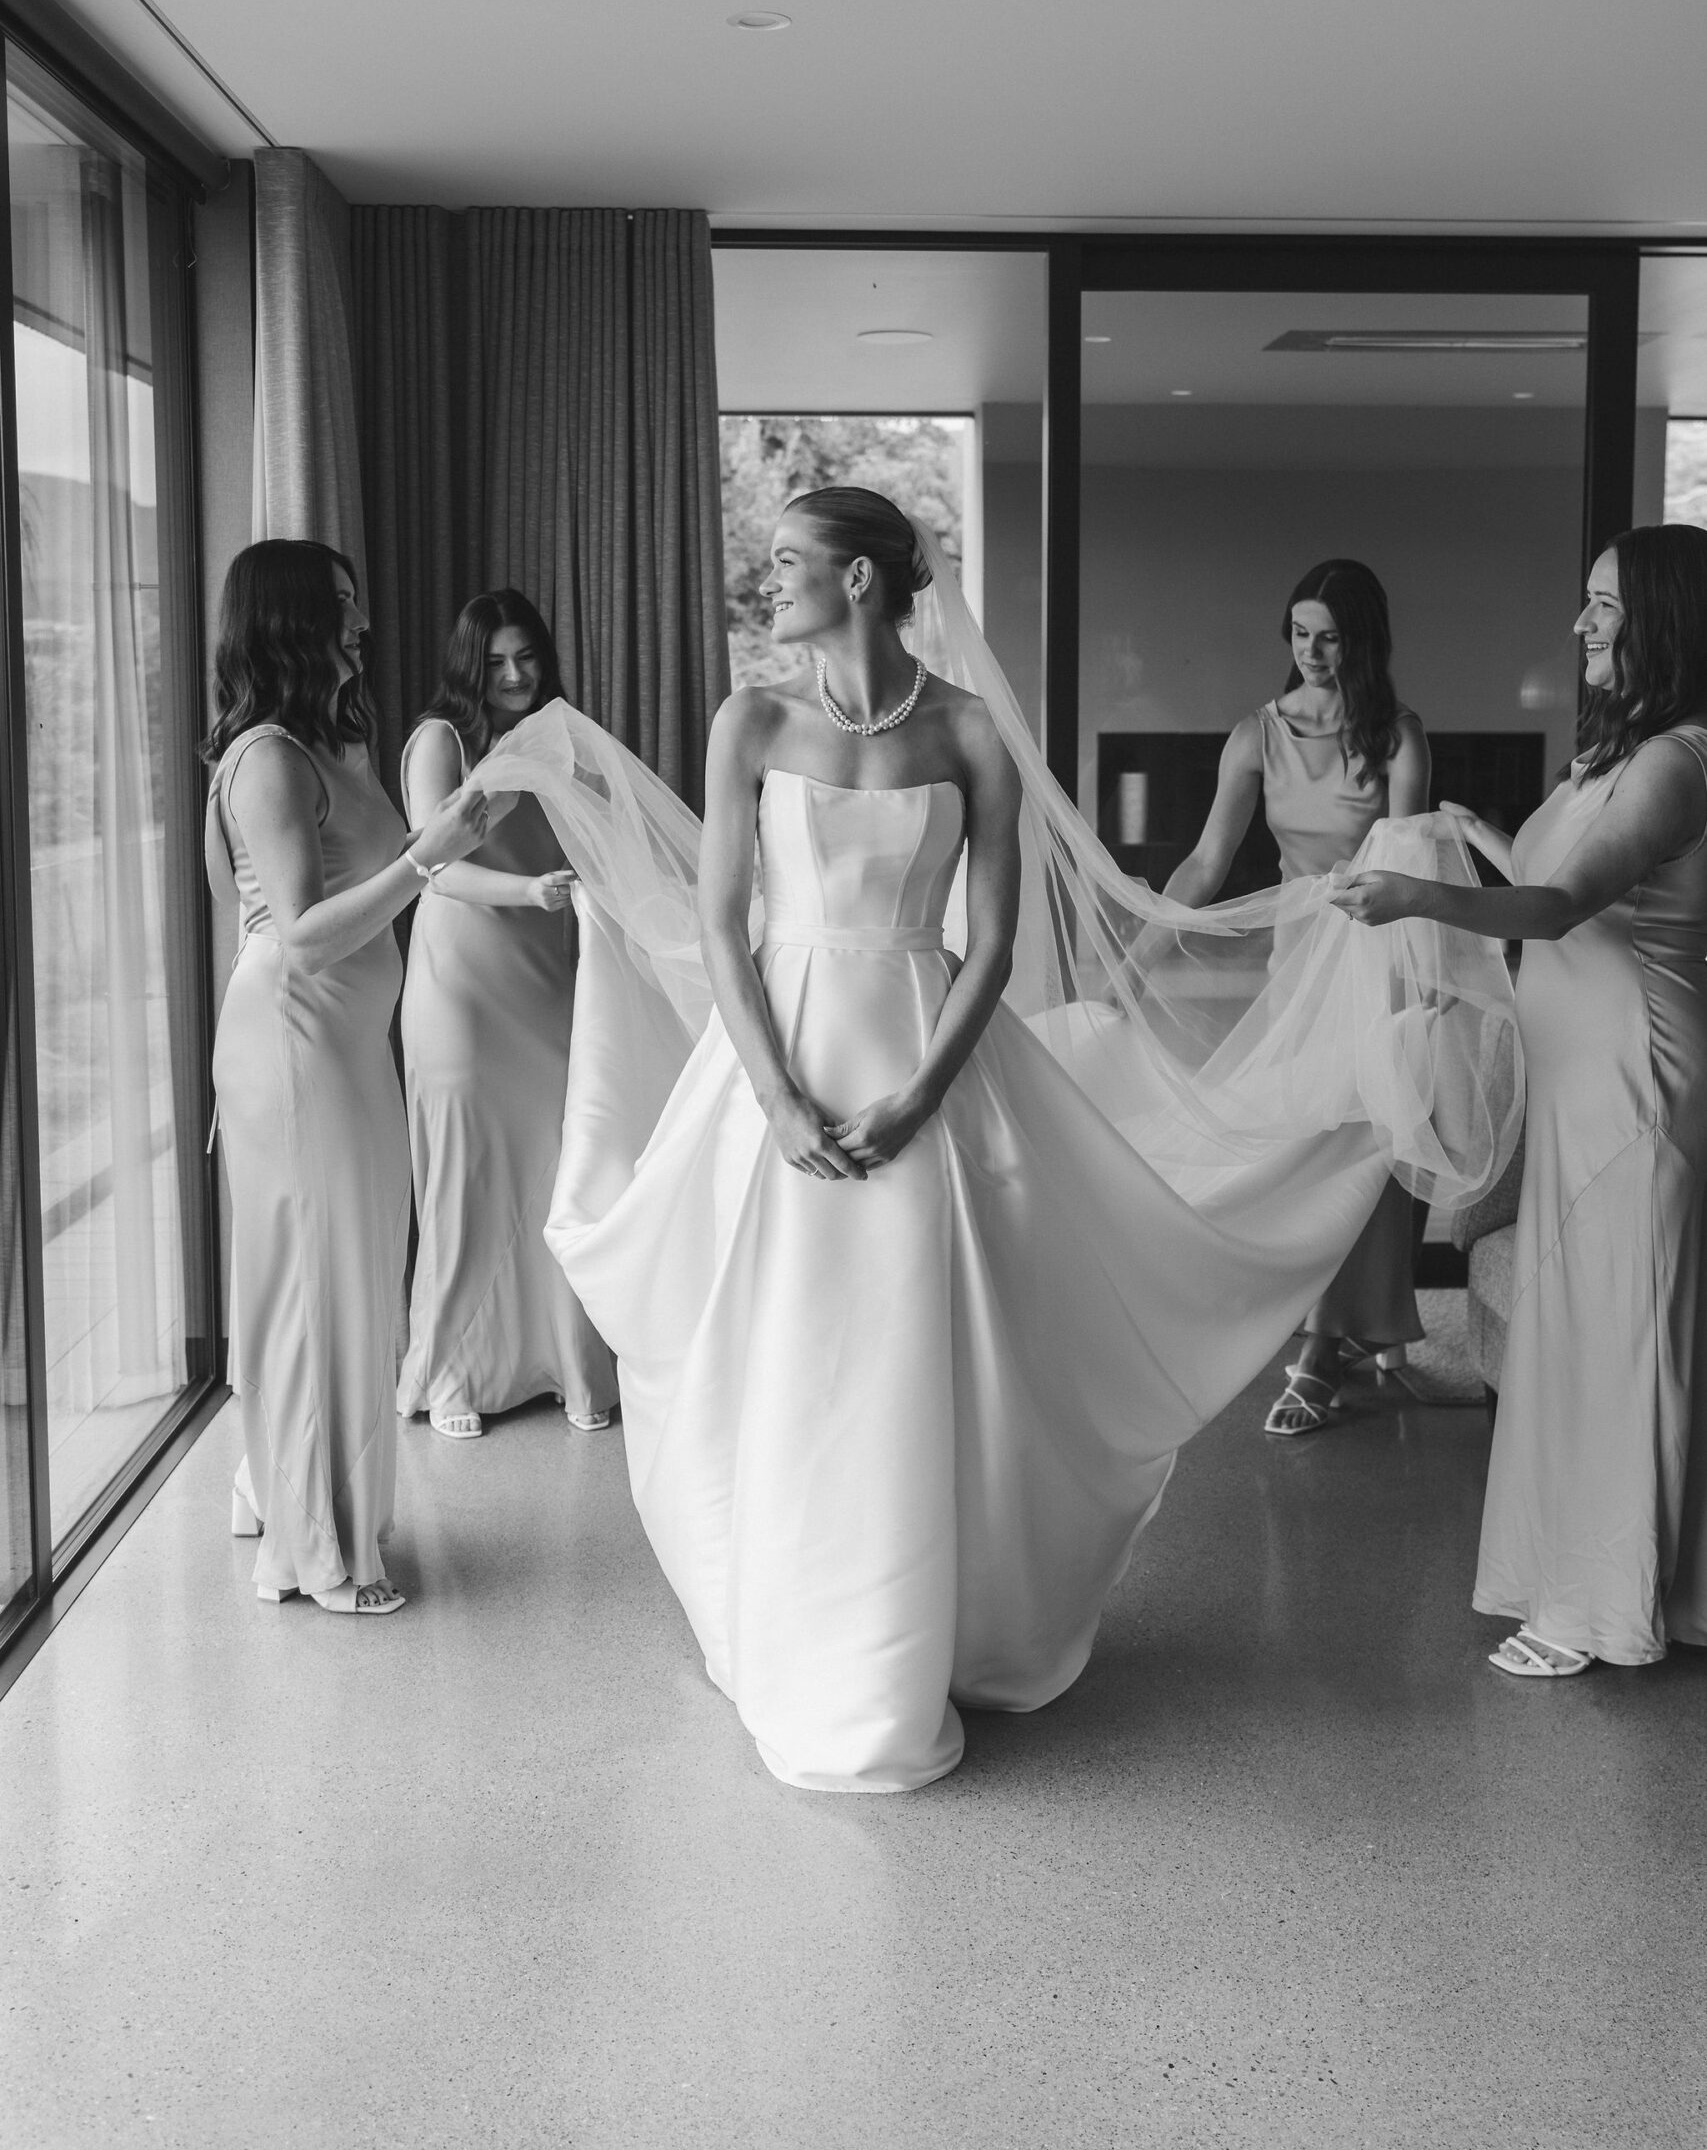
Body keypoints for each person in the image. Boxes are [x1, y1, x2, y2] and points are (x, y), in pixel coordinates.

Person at [473, 491, 1516, 1790]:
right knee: (789, 1341)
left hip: (927, 1063)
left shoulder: (967, 733)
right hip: (778, 1065)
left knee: (909, 1346)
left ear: (860, 580)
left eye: (793, 565)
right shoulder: (753, 721)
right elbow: (727, 923)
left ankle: (919, 1645)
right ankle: (805, 1634)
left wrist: (914, 1099)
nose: (774, 583)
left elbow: (987, 945)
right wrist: (785, 1103)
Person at [1334, 526, 1707, 1679]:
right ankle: (1634, 1578)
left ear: (1662, 618)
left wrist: (1415, 898)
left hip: (1635, 1082)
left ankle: (1604, 1602)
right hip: (1579, 1087)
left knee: (1620, 1329)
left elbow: (1560, 909)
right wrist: (1464, 834)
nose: (1582, 624)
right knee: (1584, 1324)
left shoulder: (1679, 760)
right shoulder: (1617, 757)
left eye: (1603, 605)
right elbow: (1552, 877)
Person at [206, 541, 488, 1614]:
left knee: (355, 1276)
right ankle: (318, 1554)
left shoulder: (340, 742)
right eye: (338, 607)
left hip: (349, 1046)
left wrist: (432, 846)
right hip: (293, 1036)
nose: (361, 623)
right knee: (316, 1288)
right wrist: (430, 852)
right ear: (286, 621)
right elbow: (311, 934)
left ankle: (285, 1491)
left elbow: (369, 883)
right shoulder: (270, 757)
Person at [1164, 559, 1432, 1436]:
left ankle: (1324, 1349)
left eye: (1330, 636)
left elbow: (1408, 865)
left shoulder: (1396, 737)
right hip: (1296, 964)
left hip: (1375, 958)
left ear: (1363, 642)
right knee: (1303, 1144)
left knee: (1370, 1143)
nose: (1312, 652)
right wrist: (1139, 943)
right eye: (1299, 634)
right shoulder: (1255, 735)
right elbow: (1207, 862)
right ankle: (1328, 1327)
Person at [396, 590, 617, 1440]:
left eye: (526, 656)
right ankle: (453, 1371)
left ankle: (569, 1364)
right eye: (495, 662)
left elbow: (602, 839)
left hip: (546, 986)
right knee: (464, 1180)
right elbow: (432, 865)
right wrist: (528, 890)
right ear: (468, 666)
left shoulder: (560, 741)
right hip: (460, 993)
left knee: (553, 1174)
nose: (515, 675)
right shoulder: (437, 742)